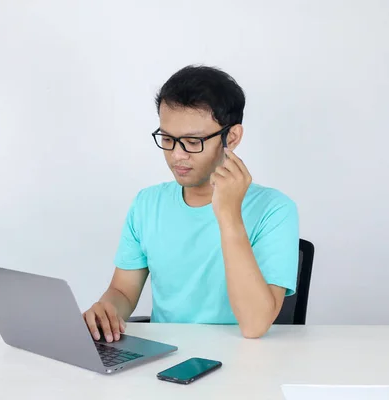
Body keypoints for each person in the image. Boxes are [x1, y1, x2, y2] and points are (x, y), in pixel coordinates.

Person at [83, 65, 299, 341]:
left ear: (231, 137)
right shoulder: (147, 204)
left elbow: (255, 325)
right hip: (164, 360)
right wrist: (107, 311)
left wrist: (229, 215)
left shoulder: (275, 210)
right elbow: (123, 291)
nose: (177, 156)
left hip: (244, 365)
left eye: (192, 142)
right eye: (168, 139)